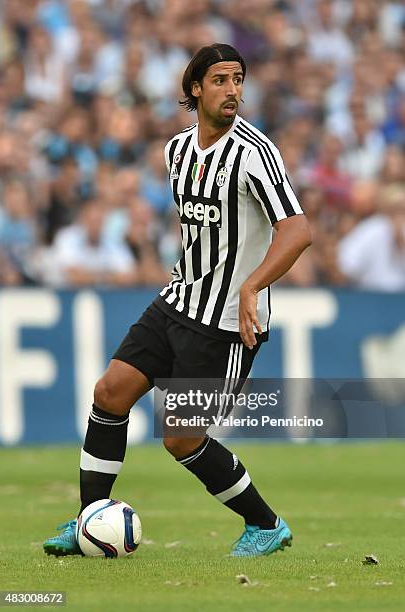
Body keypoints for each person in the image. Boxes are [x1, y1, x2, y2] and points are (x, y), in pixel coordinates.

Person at [43, 43, 311, 558]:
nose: (232, 90)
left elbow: (298, 230)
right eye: (220, 80)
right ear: (195, 88)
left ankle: (266, 524)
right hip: (177, 300)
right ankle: (87, 521)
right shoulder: (177, 151)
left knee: (181, 438)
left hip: (228, 320)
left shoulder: (255, 154)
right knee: (110, 392)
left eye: (238, 80)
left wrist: (252, 285)